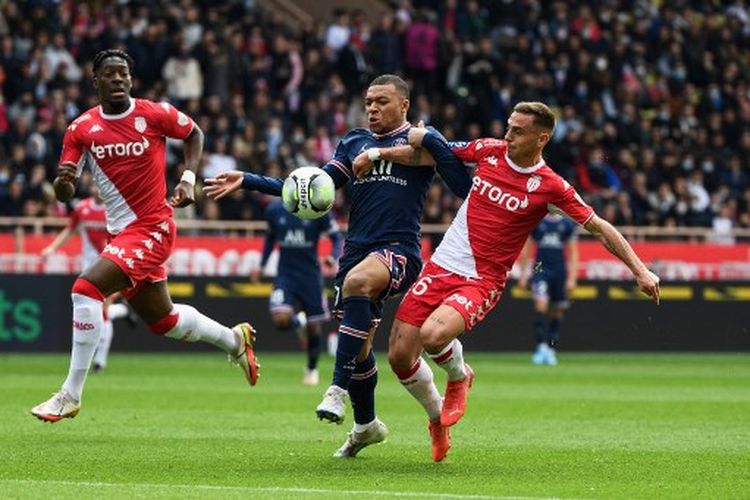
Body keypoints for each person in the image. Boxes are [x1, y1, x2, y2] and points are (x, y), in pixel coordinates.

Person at [355, 101, 660, 462]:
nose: (508, 134)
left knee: (434, 335)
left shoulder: (551, 187)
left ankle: (459, 375)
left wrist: (640, 270)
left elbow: (598, 227)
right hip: (441, 266)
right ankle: (437, 418)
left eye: (518, 131)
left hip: (482, 279)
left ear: (541, 138)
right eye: (509, 126)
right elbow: (426, 155)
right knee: (399, 356)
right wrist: (377, 154)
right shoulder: (488, 151)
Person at [204, 74, 472, 457]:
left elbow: (463, 185)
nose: (373, 109)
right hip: (355, 253)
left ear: (404, 106)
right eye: (368, 102)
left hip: (399, 250)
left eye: (381, 101)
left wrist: (427, 139)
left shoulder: (417, 141)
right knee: (361, 353)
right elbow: (313, 187)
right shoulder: (353, 142)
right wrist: (249, 180)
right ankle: (370, 425)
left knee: (360, 284)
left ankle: (335, 390)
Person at [31, 49, 259, 423]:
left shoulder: (153, 114)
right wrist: (64, 183)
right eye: (109, 74)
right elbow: (63, 191)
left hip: (153, 226)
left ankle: (69, 394)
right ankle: (234, 340)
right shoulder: (81, 129)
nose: (118, 79)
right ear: (96, 81)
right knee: (163, 321)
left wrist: (188, 179)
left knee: (85, 290)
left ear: (131, 79)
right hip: (122, 233)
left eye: (123, 73)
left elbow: (194, 133)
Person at [41, 184, 137, 372]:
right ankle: (123, 311)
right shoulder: (82, 208)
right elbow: (70, 229)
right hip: (88, 267)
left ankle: (100, 360)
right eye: (96, 185)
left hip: (111, 265)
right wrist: (52, 248)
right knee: (93, 311)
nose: (98, 189)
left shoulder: (115, 209)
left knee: (102, 312)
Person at [255, 198, 343, 386]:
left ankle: (312, 368)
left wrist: (332, 256)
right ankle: (299, 322)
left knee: (314, 327)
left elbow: (337, 237)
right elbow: (270, 239)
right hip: (285, 274)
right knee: (280, 319)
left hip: (310, 276)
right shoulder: (274, 209)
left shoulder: (318, 208)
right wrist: (261, 266)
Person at [517, 212, 579, 366]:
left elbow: (573, 252)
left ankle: (551, 349)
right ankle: (541, 347)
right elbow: (527, 248)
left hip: (559, 269)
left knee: (557, 310)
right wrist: (523, 275)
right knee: (540, 305)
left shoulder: (567, 224)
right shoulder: (537, 221)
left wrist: (572, 278)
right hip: (540, 268)